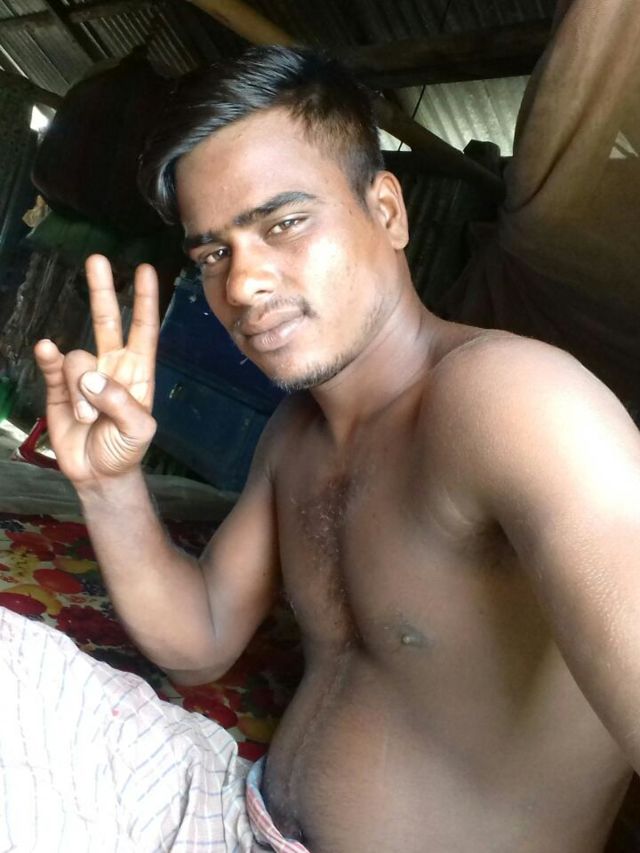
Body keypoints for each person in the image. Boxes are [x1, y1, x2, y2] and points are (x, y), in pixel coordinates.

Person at [14, 45, 640, 852]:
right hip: (232, 813)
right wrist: (110, 484)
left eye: (283, 223)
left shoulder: (514, 401)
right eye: (213, 253)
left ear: (388, 211)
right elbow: (200, 639)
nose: (242, 285)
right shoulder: (296, 433)